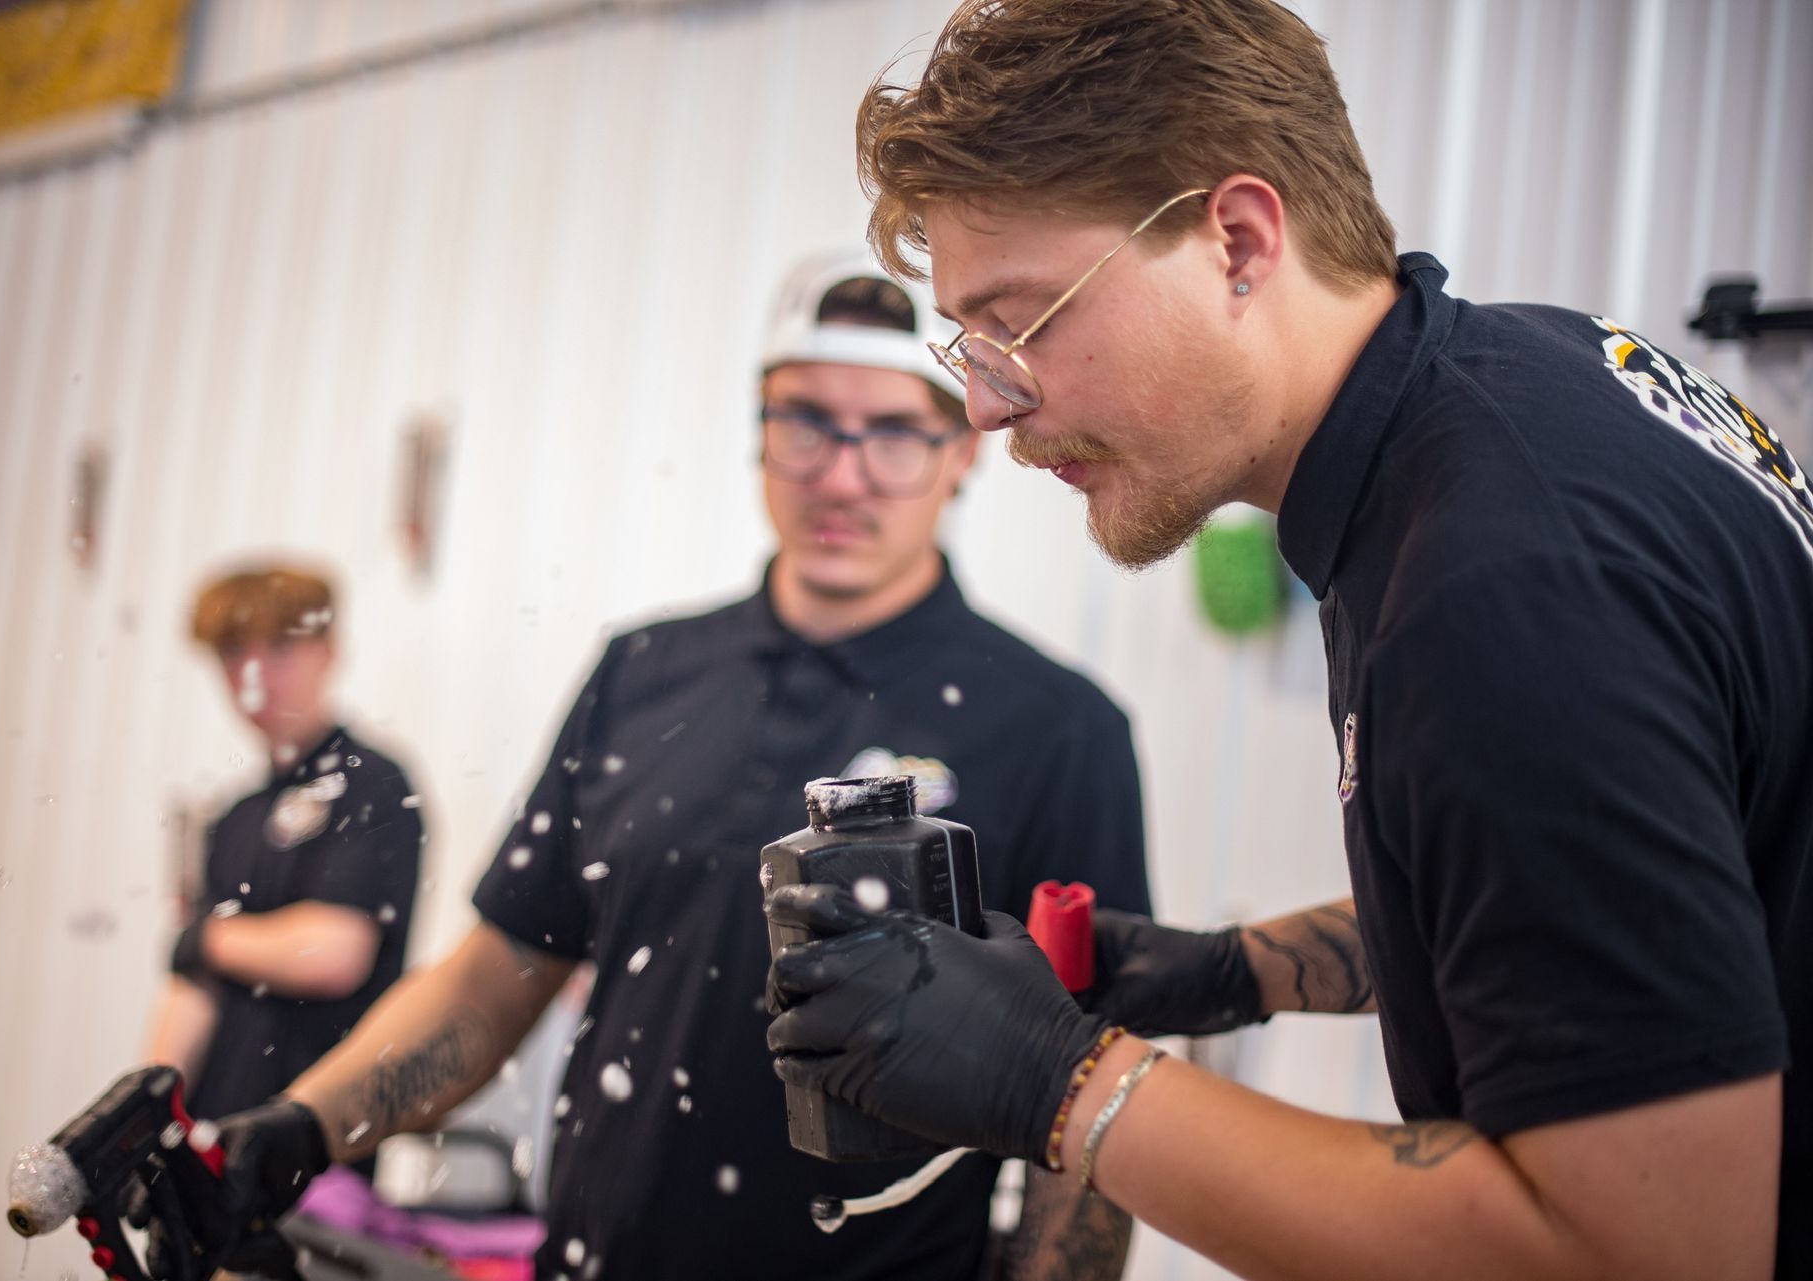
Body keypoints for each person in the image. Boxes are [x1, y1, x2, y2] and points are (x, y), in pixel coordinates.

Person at [762, 3, 1813, 1280]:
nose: (985, 404)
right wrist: (1235, 973)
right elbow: (1612, 905)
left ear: (1240, 243)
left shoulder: (1501, 582)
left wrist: (1065, 1084)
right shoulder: (1524, 383)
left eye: (1021, 324)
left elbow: (1646, 1250)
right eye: (970, 341)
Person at [124, 253, 1153, 1281]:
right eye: (805, 424)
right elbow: (494, 981)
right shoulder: (644, 675)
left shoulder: (1058, 730)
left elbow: (1095, 1106)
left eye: (892, 433)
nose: (842, 475)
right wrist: (297, 1134)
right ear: (756, 429)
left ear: (962, 448)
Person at [142, 565, 422, 1162]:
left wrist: (205, 937)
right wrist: (146, 1113)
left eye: (280, 647)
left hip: (314, 1145)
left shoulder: (371, 785)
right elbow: (194, 988)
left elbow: (333, 954)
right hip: (213, 1133)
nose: (255, 675)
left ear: (327, 651)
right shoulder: (235, 818)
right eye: (234, 653)